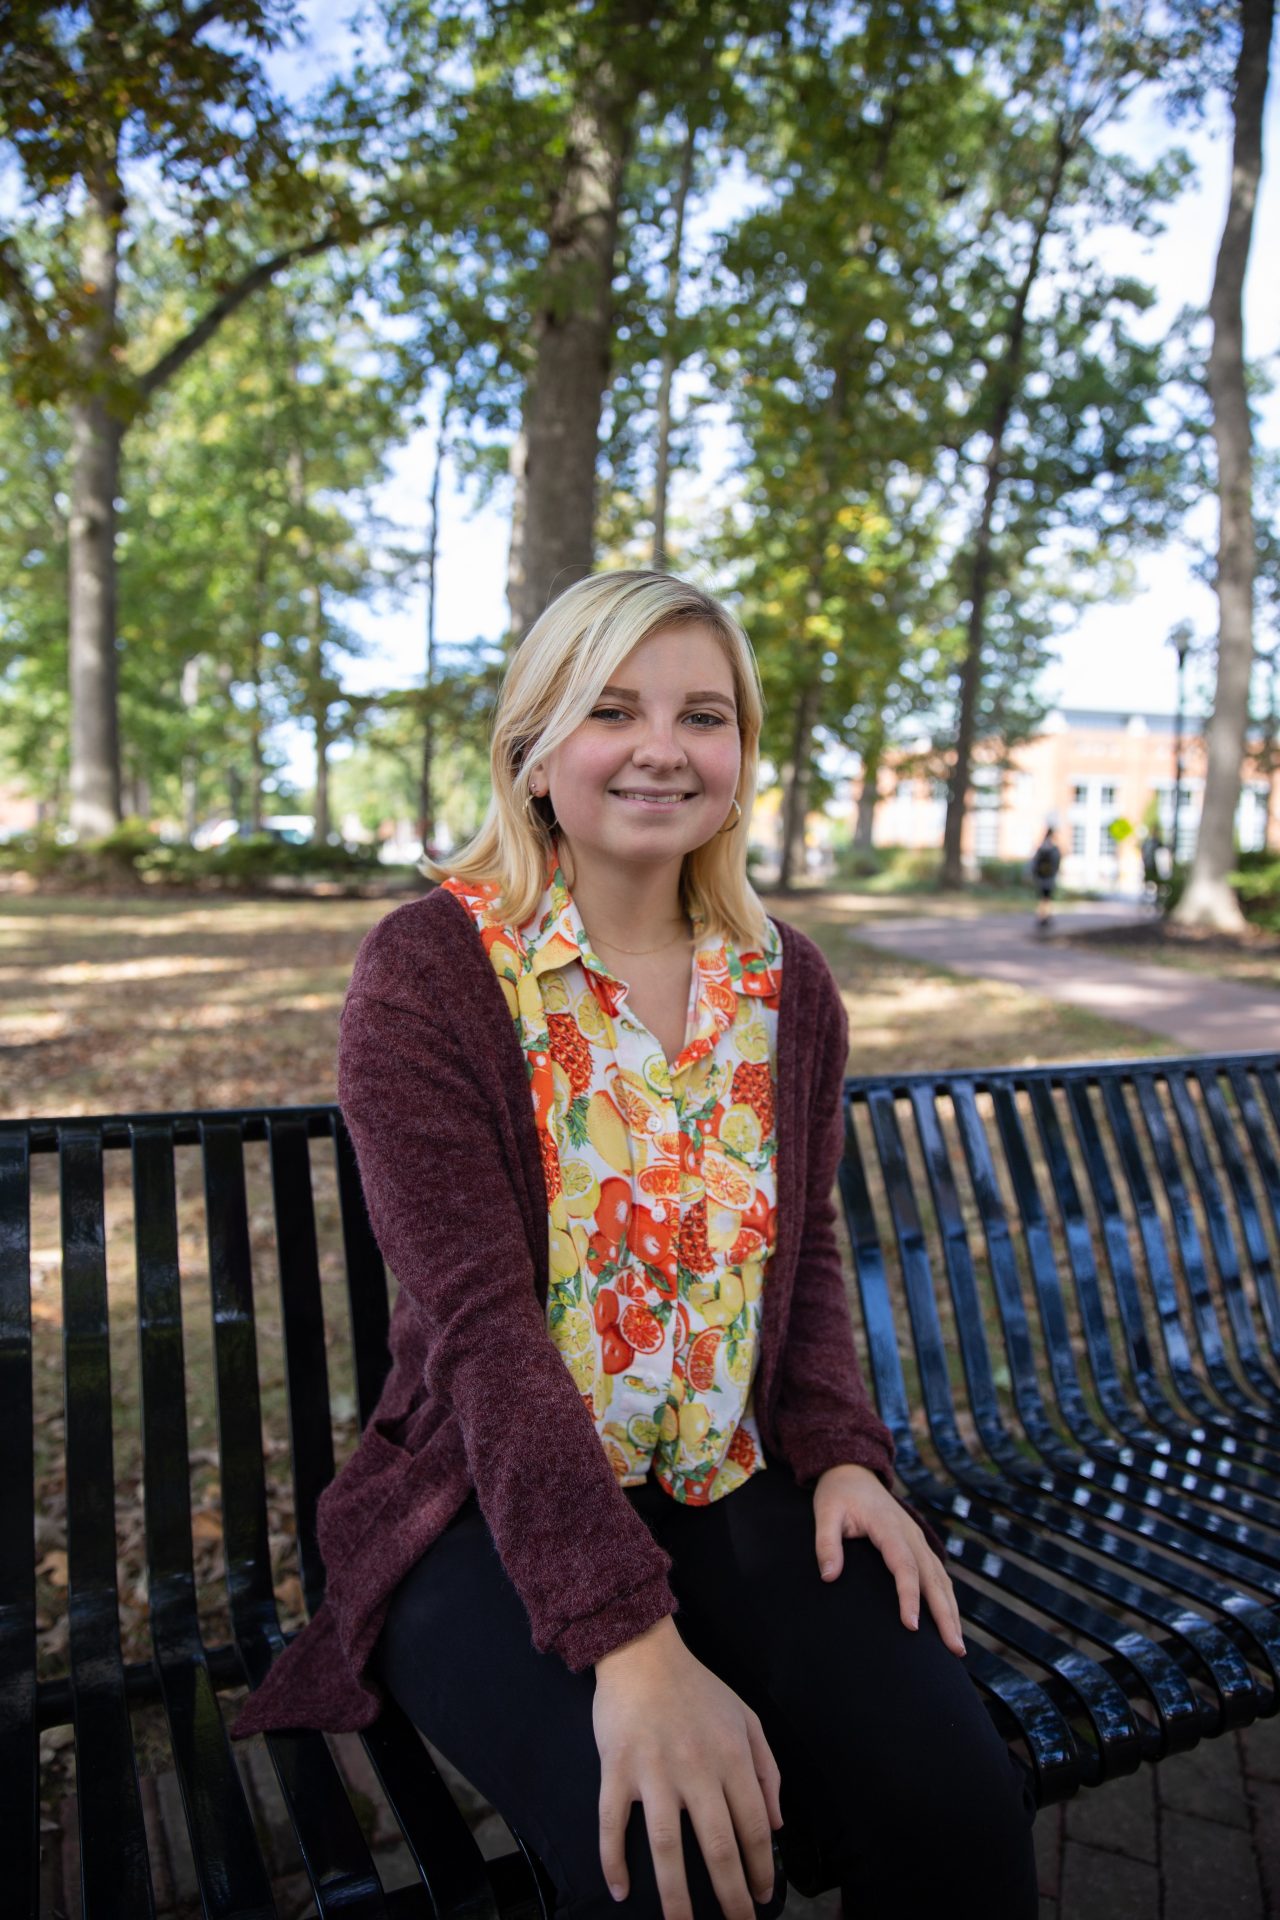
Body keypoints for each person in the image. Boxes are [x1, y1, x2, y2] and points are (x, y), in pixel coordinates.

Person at [233, 571, 1038, 1919]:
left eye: (704, 715)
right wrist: (630, 1640)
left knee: (958, 1806)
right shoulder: (432, 972)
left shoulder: (784, 982)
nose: (665, 745)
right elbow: (484, 1332)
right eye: (614, 709)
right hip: (484, 1510)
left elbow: (808, 1249)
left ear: (740, 757)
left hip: (731, 1479)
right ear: (535, 751)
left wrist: (844, 1457)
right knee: (666, 1869)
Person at [1030, 826, 1061, 929]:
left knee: (1042, 898)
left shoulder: (1041, 848)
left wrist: (1034, 875)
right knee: (1047, 898)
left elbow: (1034, 863)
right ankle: (1046, 917)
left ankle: (1041, 916)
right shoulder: (1054, 849)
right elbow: (1056, 863)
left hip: (1041, 877)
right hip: (1049, 878)